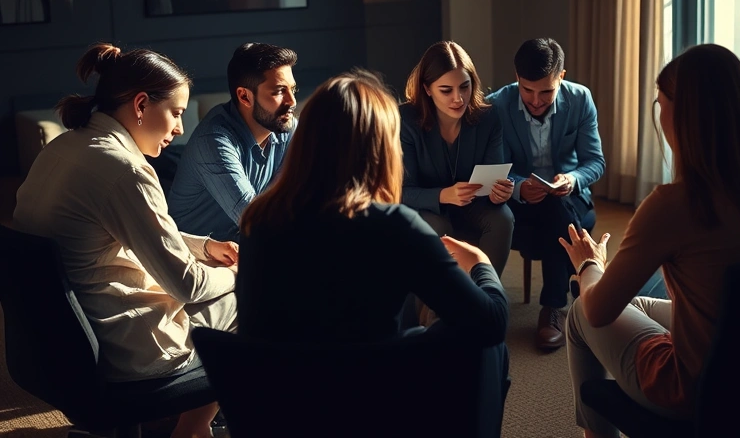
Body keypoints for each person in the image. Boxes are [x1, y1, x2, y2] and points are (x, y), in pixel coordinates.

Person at [561, 44, 740, 437]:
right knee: (638, 303)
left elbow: (599, 312)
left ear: (678, 114)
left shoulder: (675, 204)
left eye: (660, 102)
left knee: (581, 311)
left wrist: (590, 265)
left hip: (701, 393)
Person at [236, 69, 510, 433]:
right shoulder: (392, 225)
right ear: (378, 148)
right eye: (393, 138)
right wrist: (482, 265)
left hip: (281, 410)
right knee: (482, 344)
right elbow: (490, 323)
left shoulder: (259, 220)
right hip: (370, 407)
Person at [13, 43, 239, 438]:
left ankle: (170, 422)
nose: (180, 129)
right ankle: (192, 428)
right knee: (257, 298)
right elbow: (187, 285)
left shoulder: (65, 147)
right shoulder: (126, 170)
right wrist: (241, 270)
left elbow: (124, 229)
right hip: (126, 348)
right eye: (177, 113)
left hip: (58, 345)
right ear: (140, 105)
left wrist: (203, 247)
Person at [488, 37, 606, 350]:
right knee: (558, 223)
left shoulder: (581, 99)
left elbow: (595, 162)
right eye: (528, 90)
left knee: (557, 209)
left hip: (568, 198)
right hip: (521, 202)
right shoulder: (496, 105)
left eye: (546, 91)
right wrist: (519, 186)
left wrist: (572, 177)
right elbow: (495, 169)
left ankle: (554, 303)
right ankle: (566, 294)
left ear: (561, 77)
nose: (536, 100)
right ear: (517, 79)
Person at [400, 41, 514, 277]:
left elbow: (493, 177)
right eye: (446, 90)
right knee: (439, 227)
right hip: (426, 206)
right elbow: (401, 191)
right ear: (427, 89)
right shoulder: (406, 120)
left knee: (503, 218)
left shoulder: (489, 117)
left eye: (465, 86)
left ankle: (484, 296)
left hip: (474, 204)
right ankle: (447, 301)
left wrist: (500, 193)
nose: (459, 98)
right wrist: (444, 195)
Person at [168, 43, 298, 241]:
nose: (292, 101)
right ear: (245, 96)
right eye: (279, 91)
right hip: (194, 256)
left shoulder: (286, 128)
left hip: (244, 247)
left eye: (293, 90)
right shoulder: (214, 141)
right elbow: (255, 221)